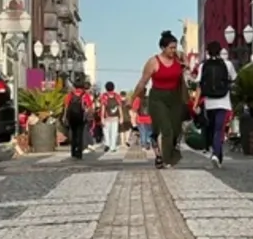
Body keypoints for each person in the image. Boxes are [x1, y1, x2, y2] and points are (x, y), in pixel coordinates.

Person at [132, 31, 186, 169]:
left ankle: (164, 154)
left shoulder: (179, 57)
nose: (173, 50)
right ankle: (166, 159)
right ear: (163, 48)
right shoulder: (153, 62)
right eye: (171, 48)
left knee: (176, 130)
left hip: (175, 97)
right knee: (166, 129)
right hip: (158, 98)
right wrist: (133, 98)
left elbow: (186, 69)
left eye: (175, 47)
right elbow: (142, 82)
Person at [194, 40, 237, 168]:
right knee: (219, 129)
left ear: (207, 52)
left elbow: (199, 85)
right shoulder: (227, 64)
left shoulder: (203, 66)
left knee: (213, 129)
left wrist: (196, 104)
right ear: (220, 51)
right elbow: (234, 78)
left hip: (209, 102)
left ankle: (217, 154)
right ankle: (216, 155)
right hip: (223, 101)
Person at [63, 81, 94, 159]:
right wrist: (89, 115)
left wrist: (65, 116)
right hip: (81, 117)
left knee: (73, 134)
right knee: (80, 134)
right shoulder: (85, 95)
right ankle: (79, 153)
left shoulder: (70, 94)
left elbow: (66, 106)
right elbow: (90, 107)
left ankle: (73, 152)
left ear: (74, 86)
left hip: (72, 117)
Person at [99, 82, 124, 152]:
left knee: (106, 132)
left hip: (107, 118)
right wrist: (121, 117)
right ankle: (113, 147)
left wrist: (102, 117)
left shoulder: (104, 96)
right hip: (115, 118)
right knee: (114, 133)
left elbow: (103, 107)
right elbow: (120, 107)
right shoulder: (117, 96)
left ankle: (107, 144)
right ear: (114, 87)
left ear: (106, 88)